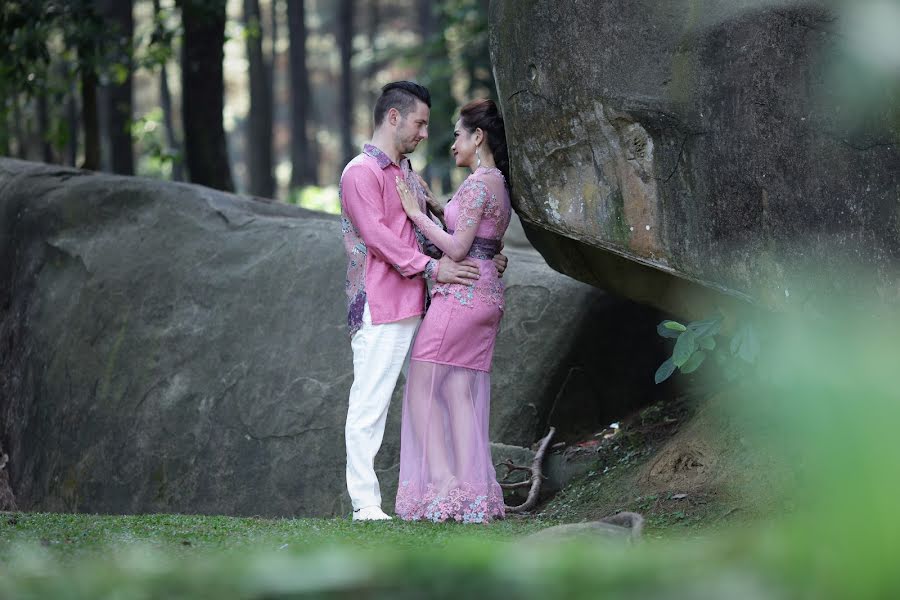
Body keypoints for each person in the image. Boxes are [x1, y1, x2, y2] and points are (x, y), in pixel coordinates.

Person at [339, 82, 507, 522]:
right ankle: (365, 504)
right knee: (370, 403)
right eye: (419, 123)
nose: (423, 133)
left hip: (424, 301)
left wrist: (484, 255)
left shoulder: (406, 173)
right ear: (393, 118)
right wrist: (435, 269)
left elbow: (428, 232)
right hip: (381, 302)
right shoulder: (361, 172)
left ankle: (451, 490)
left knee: (432, 393)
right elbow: (378, 239)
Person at [393, 98, 511, 523]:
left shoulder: (480, 183)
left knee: (422, 383)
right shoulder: (496, 182)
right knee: (458, 391)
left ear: (478, 137)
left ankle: (443, 482)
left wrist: (414, 215)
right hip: (486, 294)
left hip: (462, 294)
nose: (452, 144)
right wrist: (439, 209)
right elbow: (480, 239)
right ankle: (473, 490)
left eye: (459, 135)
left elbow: (459, 248)